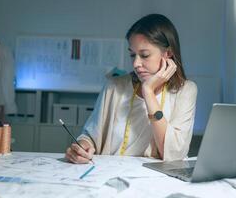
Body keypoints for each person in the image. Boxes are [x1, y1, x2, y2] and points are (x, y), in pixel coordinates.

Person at [65, 14, 197, 163]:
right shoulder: (114, 87)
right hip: (109, 175)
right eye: (132, 55)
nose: (136, 64)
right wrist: (82, 147)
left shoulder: (185, 91)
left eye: (144, 55)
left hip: (156, 182)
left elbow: (174, 155)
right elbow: (90, 135)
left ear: (168, 54)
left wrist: (148, 92)